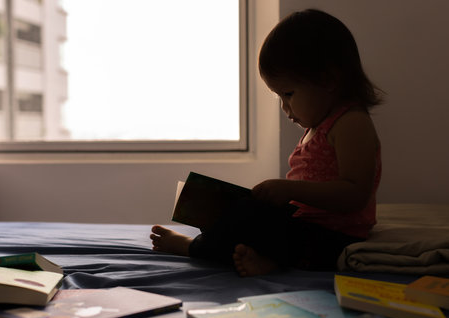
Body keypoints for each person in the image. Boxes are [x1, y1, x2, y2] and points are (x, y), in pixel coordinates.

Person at [150, 9, 383, 276]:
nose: (285, 107)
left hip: (334, 238)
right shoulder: (319, 127)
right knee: (231, 209)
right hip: (303, 228)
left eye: (289, 94)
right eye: (279, 97)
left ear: (327, 80)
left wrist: (291, 190)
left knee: (249, 217)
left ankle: (196, 248)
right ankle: (266, 258)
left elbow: (355, 195)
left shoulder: (352, 123)